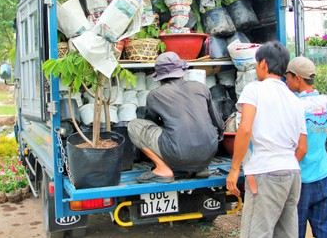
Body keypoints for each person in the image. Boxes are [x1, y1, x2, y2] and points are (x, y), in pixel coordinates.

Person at [226, 41, 307, 238]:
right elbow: (302, 147)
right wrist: (284, 167)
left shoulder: (254, 90)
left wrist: (235, 169)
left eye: (256, 64)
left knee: (256, 233)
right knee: (286, 234)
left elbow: (244, 130)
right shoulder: (295, 100)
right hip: (292, 173)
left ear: (263, 64)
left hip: (266, 171)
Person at [128, 51, 224, 183]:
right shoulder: (201, 87)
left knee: (134, 125)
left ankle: (163, 169)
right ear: (181, 71)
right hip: (209, 153)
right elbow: (218, 122)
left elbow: (151, 123)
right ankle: (199, 167)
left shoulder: (155, 95)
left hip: (178, 154)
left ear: (160, 77)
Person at [285, 56, 327, 238]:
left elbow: (300, 147)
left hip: (302, 178)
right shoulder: (326, 101)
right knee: (323, 231)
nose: (286, 80)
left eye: (287, 76)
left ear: (297, 77)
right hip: (323, 174)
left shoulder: (295, 106)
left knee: (296, 231)